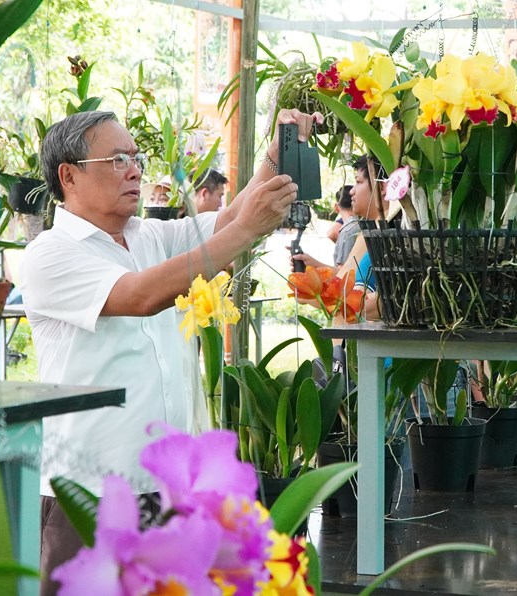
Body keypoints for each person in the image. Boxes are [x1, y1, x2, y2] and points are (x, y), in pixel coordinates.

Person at [22, 108, 319, 595]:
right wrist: (245, 232)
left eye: (136, 158)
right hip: (91, 493)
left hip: (164, 490)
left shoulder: (149, 236)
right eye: (117, 159)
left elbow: (229, 217)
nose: (135, 169)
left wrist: (276, 150)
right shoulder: (50, 254)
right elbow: (140, 296)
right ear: (69, 176)